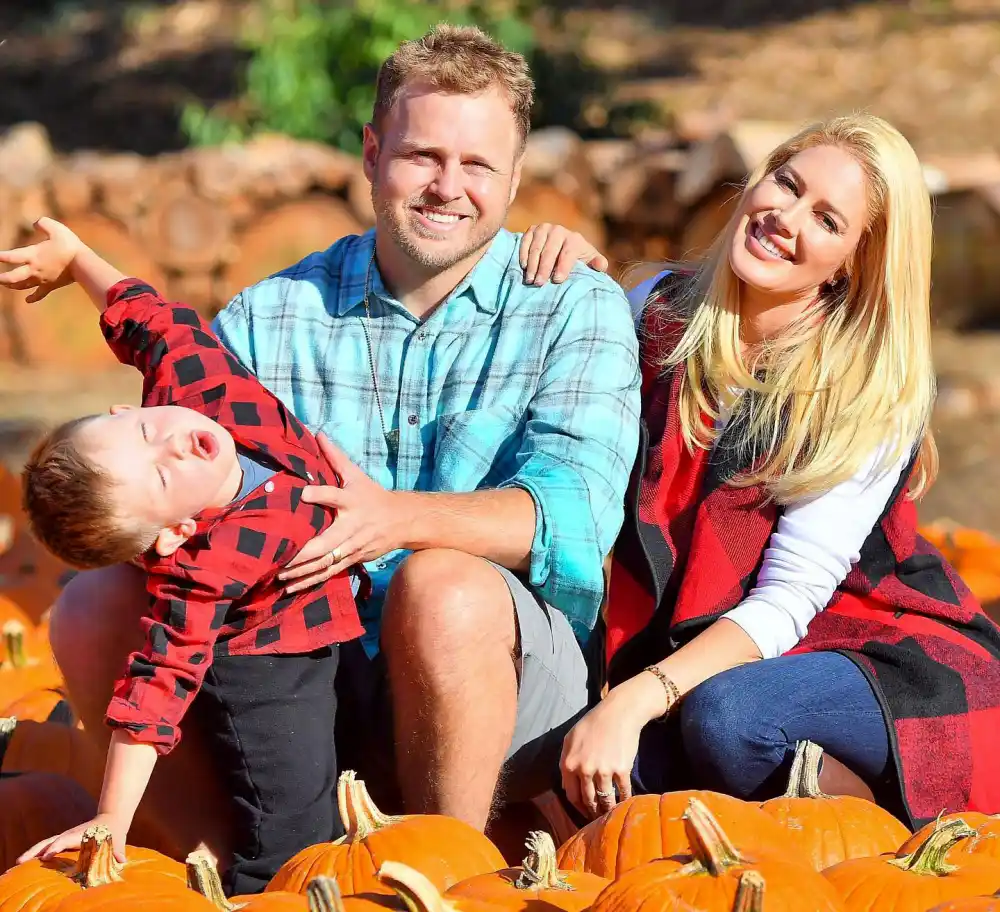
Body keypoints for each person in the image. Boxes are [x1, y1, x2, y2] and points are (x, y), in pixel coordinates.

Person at [43, 21, 641, 862]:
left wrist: (394, 519)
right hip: (291, 671)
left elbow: (574, 522)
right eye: (421, 157)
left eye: (477, 165)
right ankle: (246, 874)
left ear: (514, 179)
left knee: (440, 588)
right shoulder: (269, 316)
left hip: (493, 675)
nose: (447, 187)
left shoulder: (571, 306)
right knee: (93, 602)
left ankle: (450, 868)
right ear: (370, 154)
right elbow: (173, 473)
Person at [559, 113, 1000, 829]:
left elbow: (788, 600)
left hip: (867, 642)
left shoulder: (863, 391)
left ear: (856, 260)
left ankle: (886, 848)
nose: (783, 218)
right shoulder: (655, 309)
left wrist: (637, 696)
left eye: (826, 218)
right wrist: (558, 264)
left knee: (729, 719)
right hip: (711, 636)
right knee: (634, 770)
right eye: (785, 184)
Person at [5, 218, 366, 893]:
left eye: (143, 428)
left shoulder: (192, 385)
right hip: (270, 664)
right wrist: (110, 818)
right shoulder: (198, 568)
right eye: (162, 479)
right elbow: (153, 691)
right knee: (292, 830)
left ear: (122, 409)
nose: (173, 443)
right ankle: (254, 895)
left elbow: (147, 318)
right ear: (172, 533)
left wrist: (78, 258)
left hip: (349, 620)